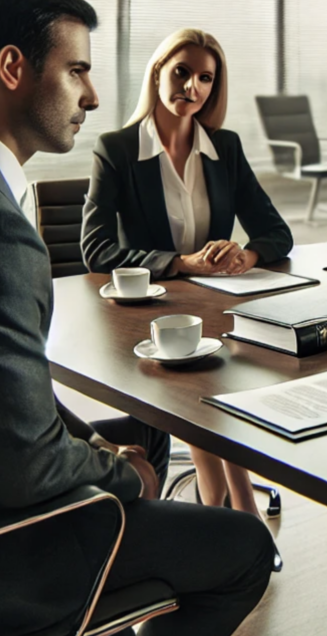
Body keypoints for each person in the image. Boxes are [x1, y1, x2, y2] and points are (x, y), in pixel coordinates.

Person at [0, 0, 276, 636]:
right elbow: (25, 467)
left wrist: (90, 444)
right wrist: (114, 471)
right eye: (78, 69)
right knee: (241, 551)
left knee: (117, 490)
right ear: (14, 68)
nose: (94, 93)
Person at [82, 28, 293, 545]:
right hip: (151, 313)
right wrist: (182, 262)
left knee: (216, 381)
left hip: (218, 305)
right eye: (182, 72)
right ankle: (237, 518)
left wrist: (244, 253)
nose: (192, 87)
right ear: (157, 72)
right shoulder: (117, 150)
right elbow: (96, 250)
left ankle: (222, 519)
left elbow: (277, 233)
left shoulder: (224, 147)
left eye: (205, 78)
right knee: (203, 383)